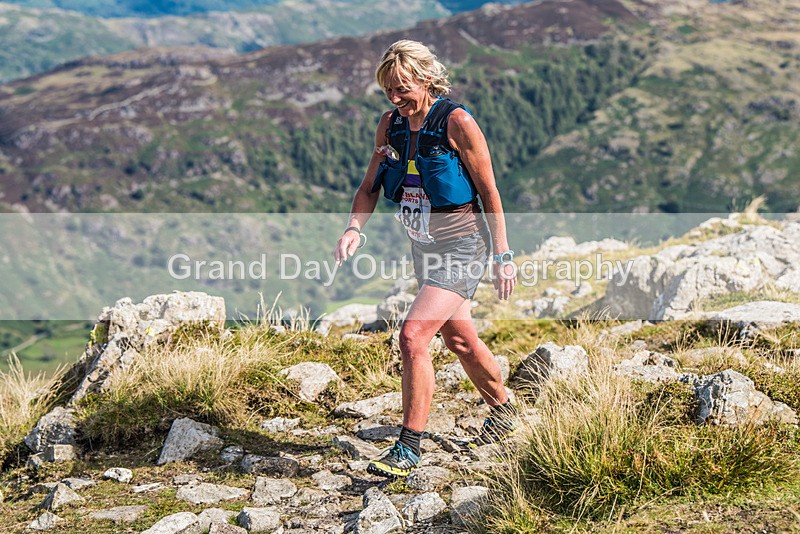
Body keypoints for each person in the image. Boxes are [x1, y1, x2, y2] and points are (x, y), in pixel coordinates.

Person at [334, 39, 518, 479]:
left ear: (426, 79)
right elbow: (369, 186)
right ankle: (507, 411)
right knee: (460, 341)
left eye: (402, 88)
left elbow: (489, 191)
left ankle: (409, 447)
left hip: (463, 246)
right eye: (388, 92)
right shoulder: (390, 126)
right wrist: (353, 227)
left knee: (413, 337)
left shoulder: (456, 122)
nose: (396, 99)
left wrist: (502, 254)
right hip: (424, 248)